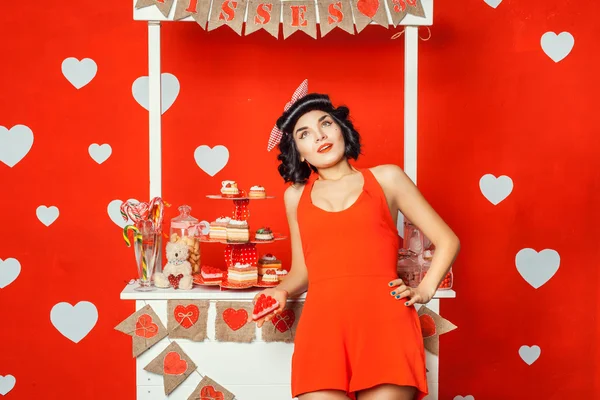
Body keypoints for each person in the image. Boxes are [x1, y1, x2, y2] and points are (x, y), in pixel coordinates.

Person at [253, 81, 460, 400]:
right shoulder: (295, 197)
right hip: (322, 329)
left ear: (342, 130)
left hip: (386, 325)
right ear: (300, 153)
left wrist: (424, 289)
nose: (319, 135)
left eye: (326, 123)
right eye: (304, 133)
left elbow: (447, 239)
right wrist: (280, 290)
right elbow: (303, 270)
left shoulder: (387, 178)